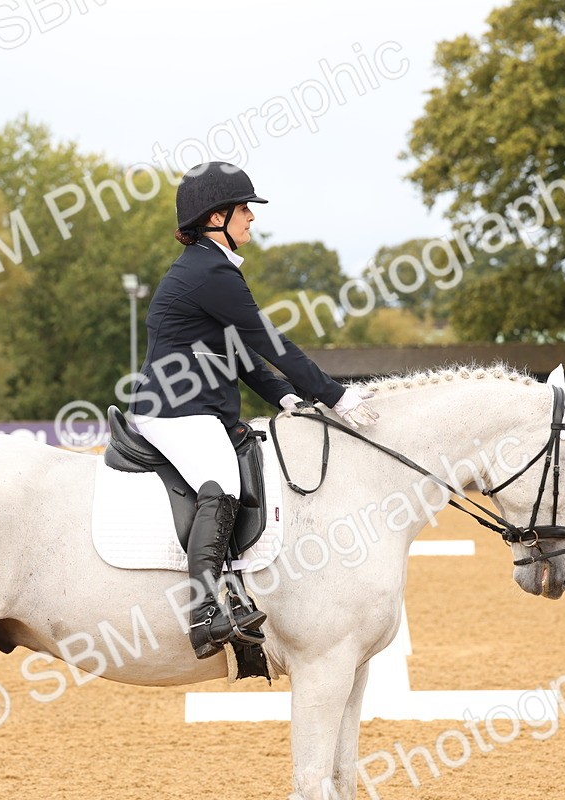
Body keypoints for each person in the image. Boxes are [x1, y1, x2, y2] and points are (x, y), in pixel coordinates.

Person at [128, 161, 378, 659]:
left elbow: (238, 351)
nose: (251, 219)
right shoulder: (209, 272)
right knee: (222, 479)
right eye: (244, 209)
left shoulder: (208, 268)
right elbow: (268, 340)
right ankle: (202, 611)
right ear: (216, 216)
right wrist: (336, 395)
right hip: (173, 409)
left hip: (196, 406)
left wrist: (284, 394)